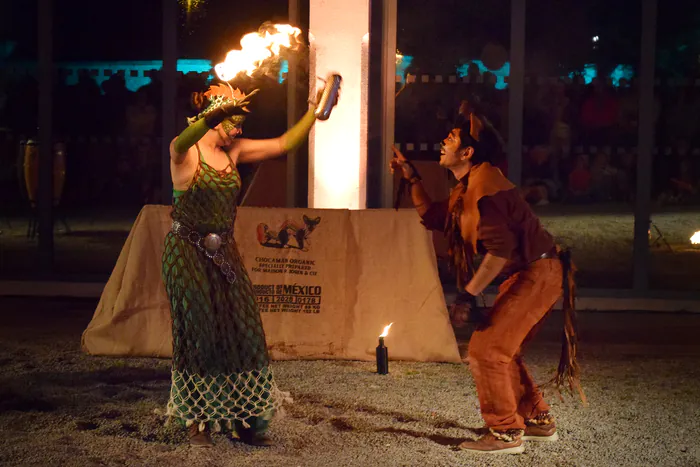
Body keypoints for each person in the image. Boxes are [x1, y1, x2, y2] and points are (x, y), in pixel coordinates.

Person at [390, 112, 584, 455]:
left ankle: (506, 433)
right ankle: (536, 419)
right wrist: (412, 178)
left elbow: (498, 252)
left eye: (451, 138)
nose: (443, 142)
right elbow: (435, 217)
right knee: (501, 349)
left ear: (467, 152)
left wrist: (466, 296)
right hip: (533, 272)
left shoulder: (486, 192)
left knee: (487, 349)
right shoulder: (471, 185)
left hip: (539, 273)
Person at [163, 82, 337, 447]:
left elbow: (284, 144)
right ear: (217, 118)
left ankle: (242, 415)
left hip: (224, 252)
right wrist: (216, 114)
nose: (239, 130)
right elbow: (183, 139)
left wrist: (313, 112)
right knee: (199, 331)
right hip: (186, 253)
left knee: (243, 329)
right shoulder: (184, 151)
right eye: (234, 121)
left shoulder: (235, 151)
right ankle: (197, 421)